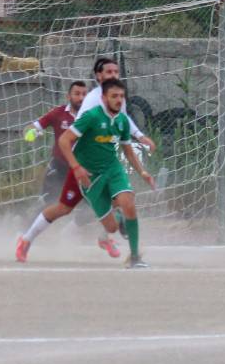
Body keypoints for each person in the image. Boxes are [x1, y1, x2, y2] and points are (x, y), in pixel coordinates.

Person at [14, 58, 155, 262]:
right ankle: (26, 239)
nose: (114, 75)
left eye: (116, 71)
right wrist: (77, 165)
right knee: (63, 207)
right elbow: (71, 137)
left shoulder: (117, 99)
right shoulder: (91, 105)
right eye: (109, 72)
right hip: (82, 165)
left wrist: (140, 141)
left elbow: (124, 125)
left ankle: (129, 252)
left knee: (125, 202)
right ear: (98, 76)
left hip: (108, 165)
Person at [58, 79, 155, 269]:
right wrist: (77, 168)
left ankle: (135, 257)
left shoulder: (121, 121)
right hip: (91, 176)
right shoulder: (91, 117)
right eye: (114, 96)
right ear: (103, 98)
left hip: (113, 169)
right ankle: (117, 221)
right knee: (111, 227)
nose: (119, 100)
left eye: (121, 96)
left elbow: (127, 150)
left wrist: (143, 172)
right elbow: (64, 140)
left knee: (127, 202)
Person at [24, 81, 88, 205]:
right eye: (77, 94)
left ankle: (73, 225)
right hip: (60, 166)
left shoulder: (92, 115)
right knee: (47, 203)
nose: (81, 97)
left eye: (84, 94)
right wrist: (31, 133)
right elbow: (29, 129)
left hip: (84, 168)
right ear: (68, 96)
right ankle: (28, 223)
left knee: (92, 207)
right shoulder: (58, 113)